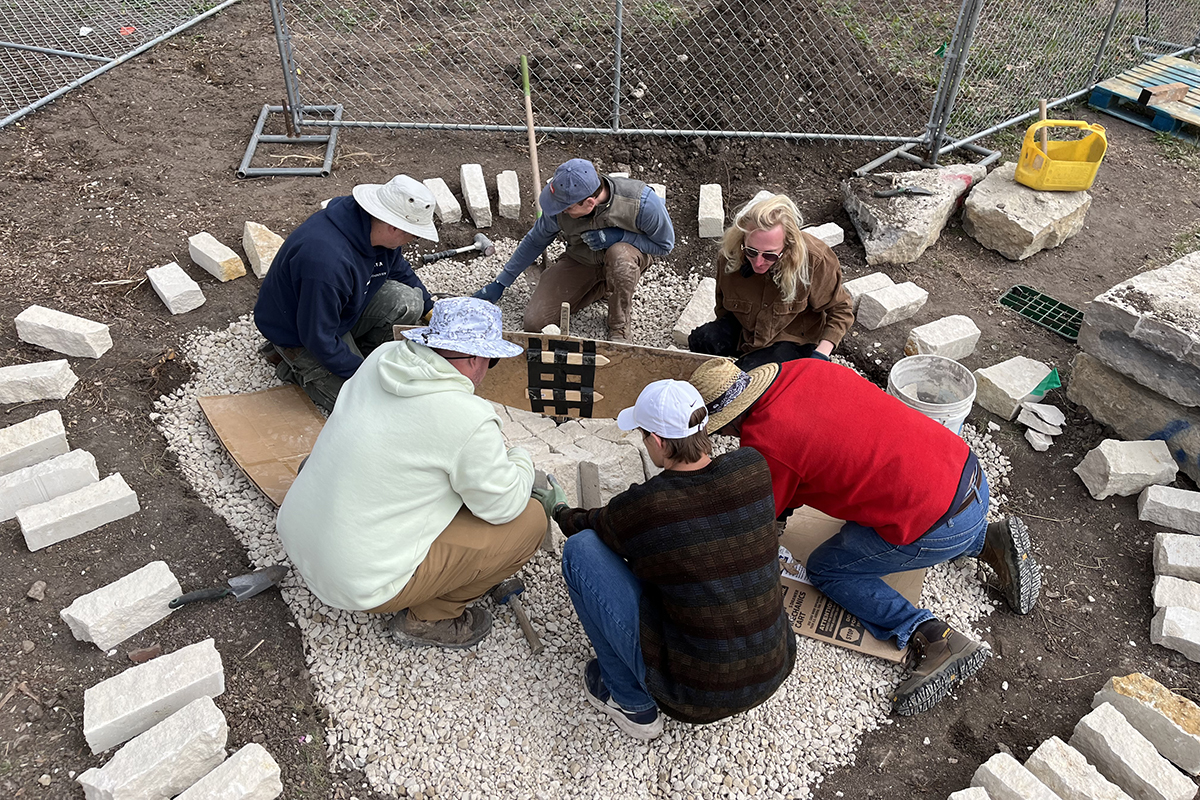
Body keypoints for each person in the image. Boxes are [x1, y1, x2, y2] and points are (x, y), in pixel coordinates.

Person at [688, 358, 1041, 716]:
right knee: (883, 499)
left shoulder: (767, 442)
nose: (728, 438)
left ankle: (933, 637)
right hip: (967, 474)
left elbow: (756, 518)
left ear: (730, 420)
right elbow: (803, 461)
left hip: (935, 526)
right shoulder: (804, 369)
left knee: (827, 568)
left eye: (723, 431)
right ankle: (988, 539)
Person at [277, 297, 547, 649]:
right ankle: (432, 618)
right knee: (531, 521)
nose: (487, 369)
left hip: (298, 533)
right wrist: (521, 458)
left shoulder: (383, 357)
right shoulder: (467, 417)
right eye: (492, 361)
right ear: (475, 358)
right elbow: (503, 506)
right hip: (356, 582)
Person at [533, 380, 796, 740]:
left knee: (581, 551)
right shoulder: (751, 468)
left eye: (643, 436)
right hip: (773, 666)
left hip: (694, 692)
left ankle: (632, 705)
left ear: (657, 443)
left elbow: (590, 525)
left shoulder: (650, 506)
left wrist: (559, 508)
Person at [255, 174, 438, 413]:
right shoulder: (326, 262)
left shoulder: (374, 229)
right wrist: (367, 377)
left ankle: (353, 350)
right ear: (394, 226)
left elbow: (399, 270)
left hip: (336, 315)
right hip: (301, 334)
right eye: (414, 234)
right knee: (366, 407)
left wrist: (430, 310)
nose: (414, 240)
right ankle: (291, 362)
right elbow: (318, 337)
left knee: (409, 301)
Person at [472, 159, 675, 342]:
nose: (562, 212)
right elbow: (535, 241)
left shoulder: (642, 203)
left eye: (567, 208)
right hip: (581, 260)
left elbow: (664, 245)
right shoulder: (562, 203)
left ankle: (619, 326)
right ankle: (604, 287)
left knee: (619, 256)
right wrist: (501, 282)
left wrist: (620, 237)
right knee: (535, 323)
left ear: (589, 203)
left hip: (624, 258)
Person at [687, 194, 853, 372]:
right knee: (701, 341)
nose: (758, 262)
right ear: (742, 239)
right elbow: (722, 306)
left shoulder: (815, 261)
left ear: (788, 246)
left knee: (746, 380)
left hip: (792, 338)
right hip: (747, 330)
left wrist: (820, 355)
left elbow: (841, 310)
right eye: (751, 251)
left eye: (769, 255)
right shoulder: (731, 255)